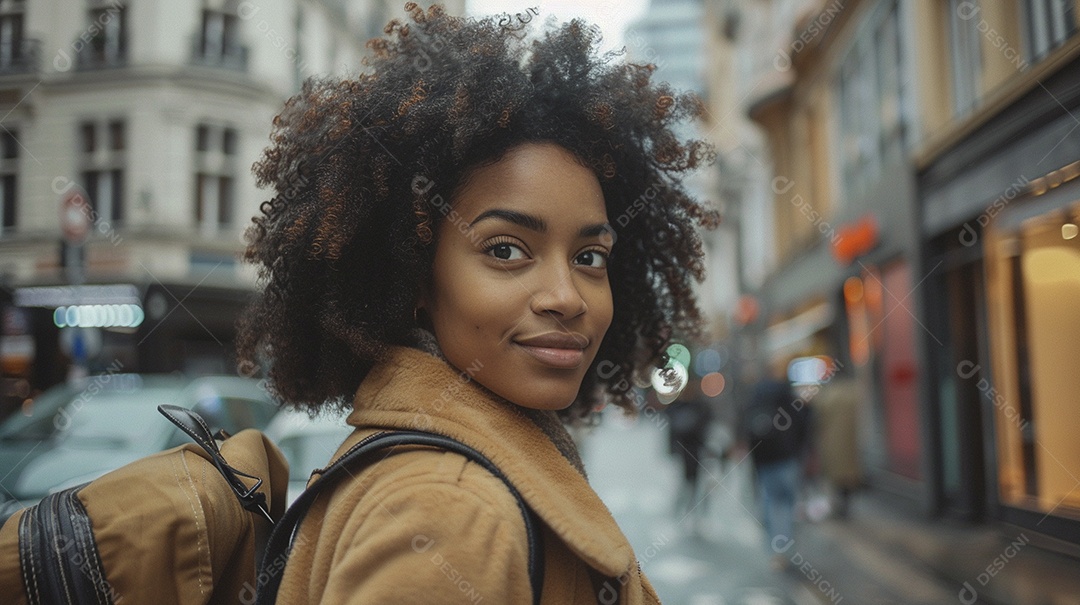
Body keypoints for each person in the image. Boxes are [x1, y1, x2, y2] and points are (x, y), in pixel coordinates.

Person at [236, 4, 718, 603]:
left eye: (590, 257)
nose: (567, 297)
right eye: (506, 250)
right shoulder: (449, 513)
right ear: (413, 277)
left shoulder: (443, 471)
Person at [739, 361, 812, 570]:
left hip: (765, 460)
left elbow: (746, 428)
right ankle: (785, 546)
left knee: (773, 503)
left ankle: (778, 550)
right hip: (787, 458)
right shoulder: (787, 396)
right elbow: (803, 424)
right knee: (787, 503)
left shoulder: (755, 397)